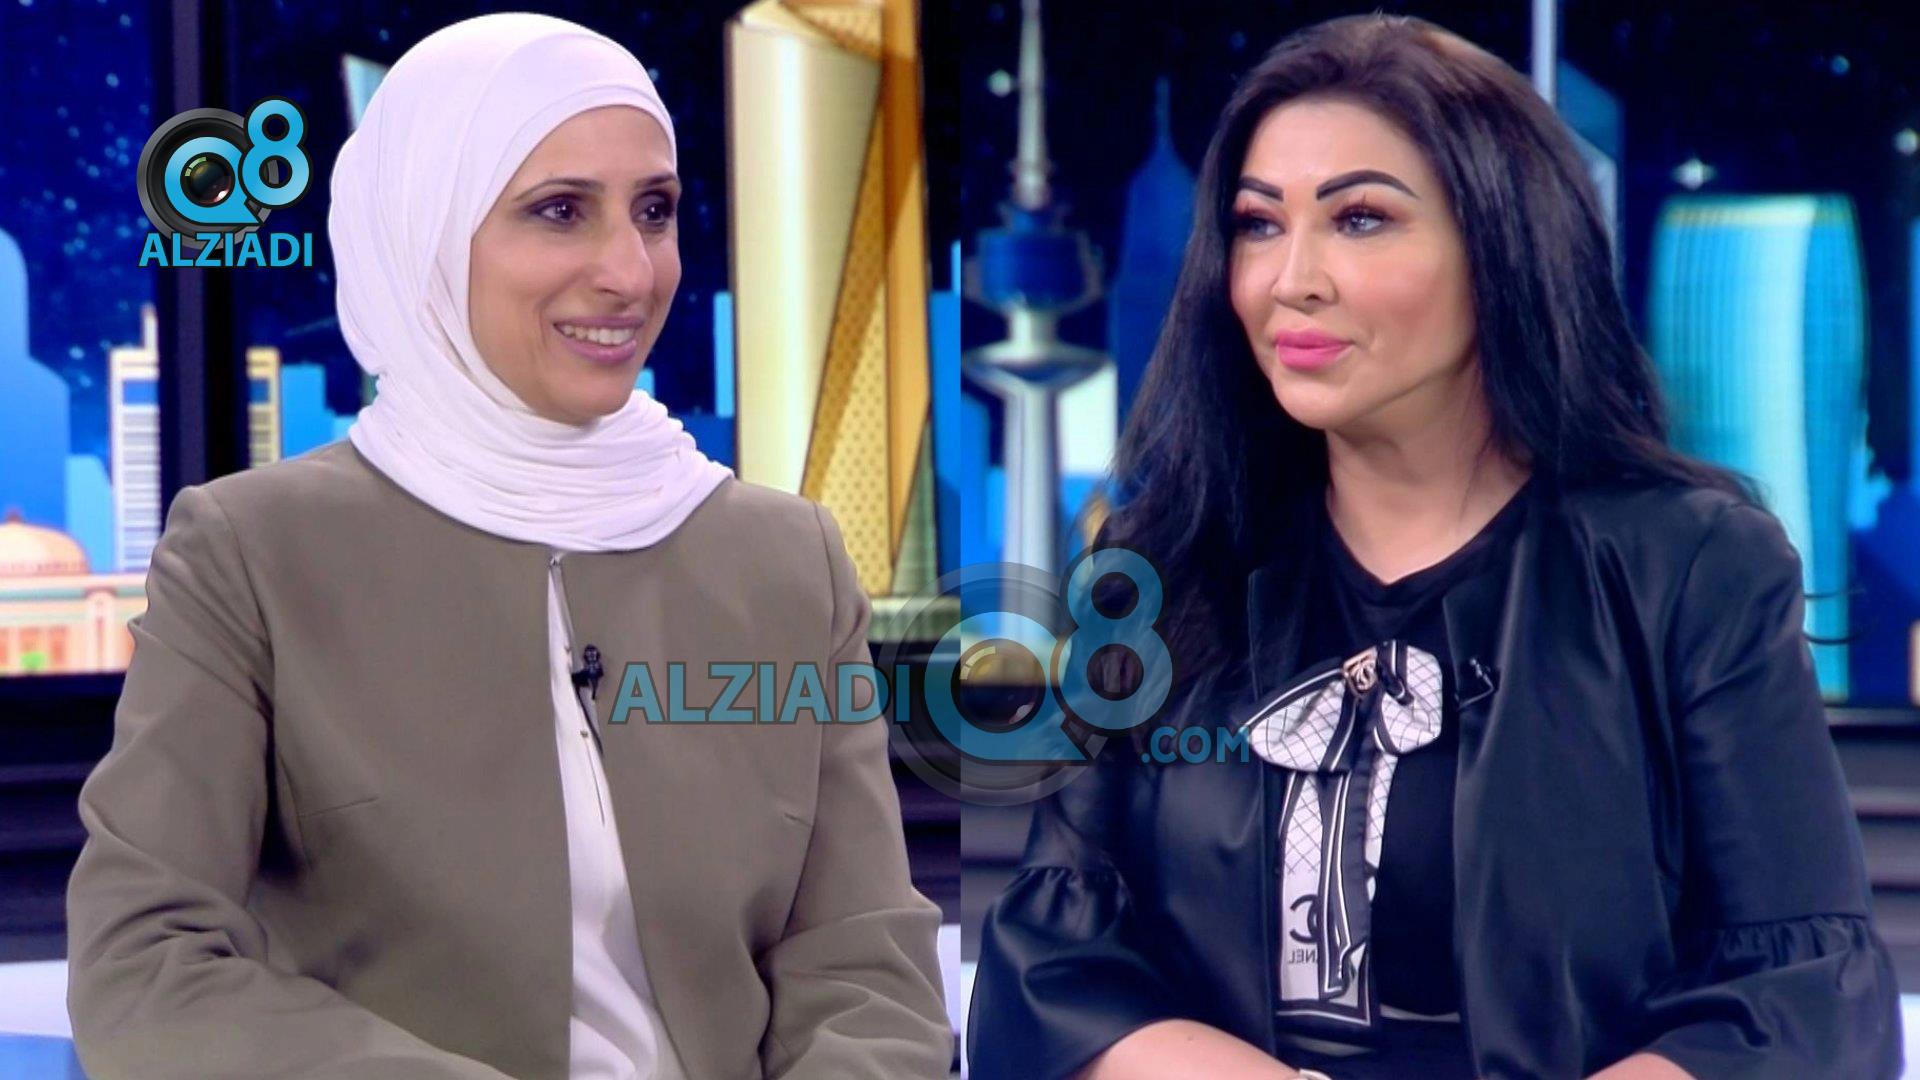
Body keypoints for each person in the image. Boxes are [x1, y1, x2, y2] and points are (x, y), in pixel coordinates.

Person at [968, 13, 1901, 1080]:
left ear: (1501, 245)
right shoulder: (1164, 569)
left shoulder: (1690, 567)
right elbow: (1050, 967)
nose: (1291, 279)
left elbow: (1805, 993)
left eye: (1360, 219)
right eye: (1258, 225)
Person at [65, 14, 950, 1079]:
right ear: (429, 234)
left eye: (655, 211)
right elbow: (147, 962)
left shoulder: (784, 558)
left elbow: (866, 966)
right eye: (560, 211)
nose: (630, 271)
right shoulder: (254, 554)